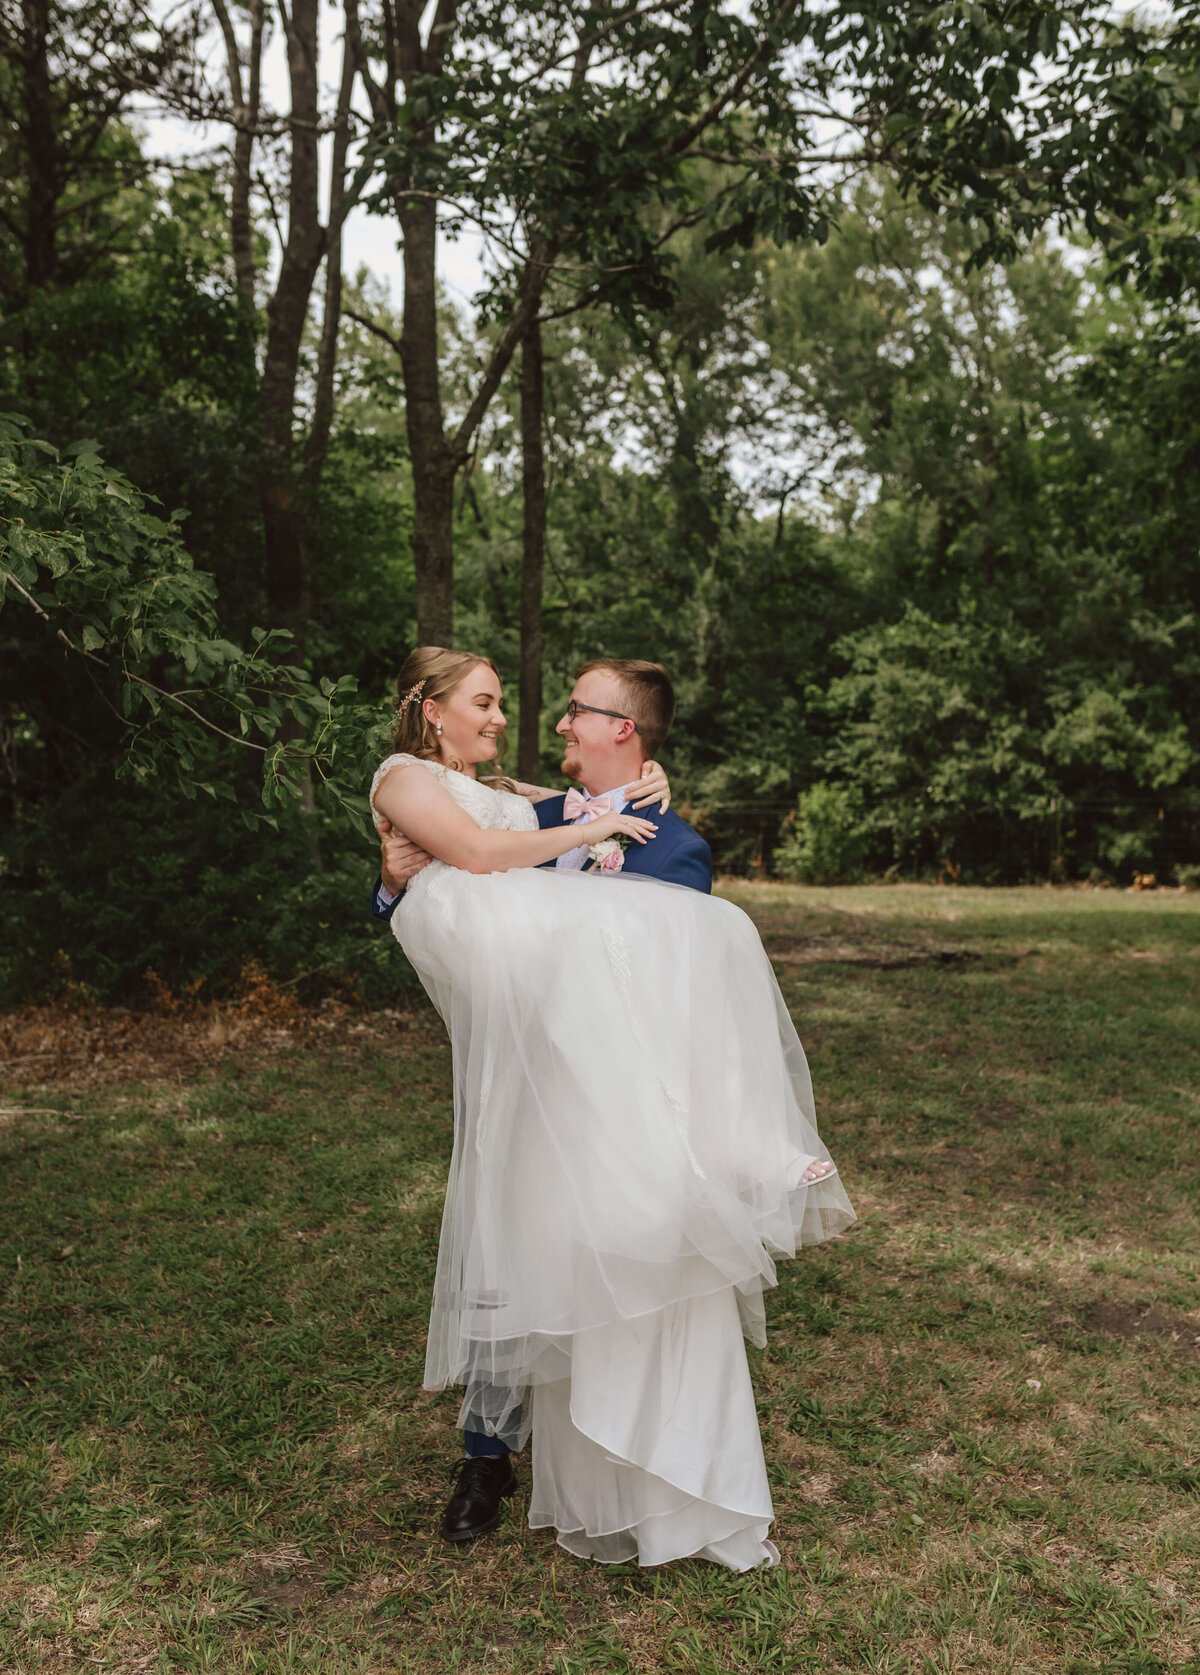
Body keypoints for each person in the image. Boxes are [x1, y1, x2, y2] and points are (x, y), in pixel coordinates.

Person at [371, 645, 855, 1571]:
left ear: (622, 729)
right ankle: (485, 1456)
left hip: (606, 1099)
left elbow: (682, 994)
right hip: (524, 1077)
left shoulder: (673, 844)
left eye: (576, 710)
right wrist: (394, 879)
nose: (552, 721)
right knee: (502, 1249)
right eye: (499, 702)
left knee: (582, 1260)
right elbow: (468, 850)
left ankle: (602, 1441)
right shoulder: (539, 811)